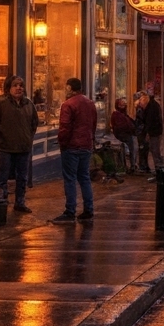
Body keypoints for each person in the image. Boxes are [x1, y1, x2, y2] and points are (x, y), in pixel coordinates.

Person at [0, 75, 39, 213]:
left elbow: (34, 123)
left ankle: (20, 202)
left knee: (22, 177)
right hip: (6, 147)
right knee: (3, 177)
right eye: (15, 85)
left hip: (24, 147)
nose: (19, 88)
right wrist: (3, 135)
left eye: (21, 85)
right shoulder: (2, 104)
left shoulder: (29, 104)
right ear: (9, 88)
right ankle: (2, 202)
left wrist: (28, 138)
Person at [54, 77, 96, 224]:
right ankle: (88, 209)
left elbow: (65, 127)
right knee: (84, 177)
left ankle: (70, 211)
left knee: (70, 179)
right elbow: (93, 124)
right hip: (86, 145)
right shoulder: (90, 103)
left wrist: (62, 143)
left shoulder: (68, 105)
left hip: (71, 147)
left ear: (70, 88)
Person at [139, 90, 164, 177]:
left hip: (154, 132)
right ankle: (159, 169)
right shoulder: (153, 105)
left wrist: (146, 132)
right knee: (154, 150)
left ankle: (159, 170)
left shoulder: (151, 108)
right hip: (155, 131)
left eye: (142, 106)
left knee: (155, 150)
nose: (141, 107)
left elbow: (149, 122)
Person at [110, 97, 138, 174]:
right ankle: (130, 166)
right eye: (121, 104)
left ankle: (132, 166)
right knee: (130, 150)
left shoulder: (123, 114)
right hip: (123, 135)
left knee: (132, 150)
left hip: (127, 134)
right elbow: (120, 126)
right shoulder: (117, 115)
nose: (124, 105)